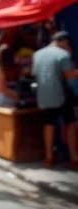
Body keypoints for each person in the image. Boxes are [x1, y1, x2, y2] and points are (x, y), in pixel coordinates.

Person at [32, 31, 78, 168]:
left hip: (45, 96)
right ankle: (74, 158)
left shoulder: (37, 54)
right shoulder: (63, 54)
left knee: (49, 125)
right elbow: (70, 75)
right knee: (70, 125)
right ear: (63, 42)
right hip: (63, 96)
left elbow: (34, 73)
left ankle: (49, 158)